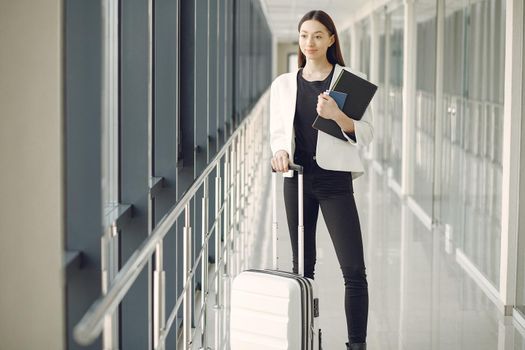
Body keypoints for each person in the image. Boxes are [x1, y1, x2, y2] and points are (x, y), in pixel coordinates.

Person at [269, 10, 373, 350]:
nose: (309, 42)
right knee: (303, 269)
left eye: (317, 35)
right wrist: (279, 154)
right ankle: (304, 339)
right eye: (303, 35)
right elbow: (277, 136)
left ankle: (356, 344)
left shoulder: (349, 81)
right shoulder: (284, 85)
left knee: (353, 269)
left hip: (334, 183)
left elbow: (368, 134)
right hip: (296, 182)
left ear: (331, 39)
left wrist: (338, 116)